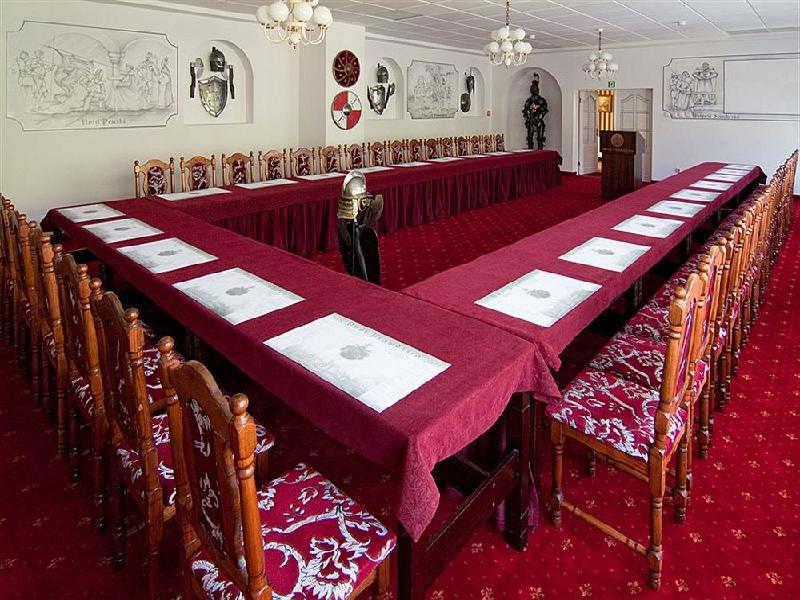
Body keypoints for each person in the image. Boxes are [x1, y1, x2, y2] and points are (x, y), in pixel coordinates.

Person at [522, 73, 548, 150]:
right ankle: (530, 152)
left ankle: (540, 152)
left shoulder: (541, 100)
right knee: (530, 138)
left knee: (540, 138)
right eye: (532, 88)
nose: (533, 90)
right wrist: (528, 117)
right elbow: (525, 111)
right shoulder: (528, 101)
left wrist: (539, 117)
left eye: (535, 88)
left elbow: (544, 110)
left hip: (538, 120)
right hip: (530, 120)